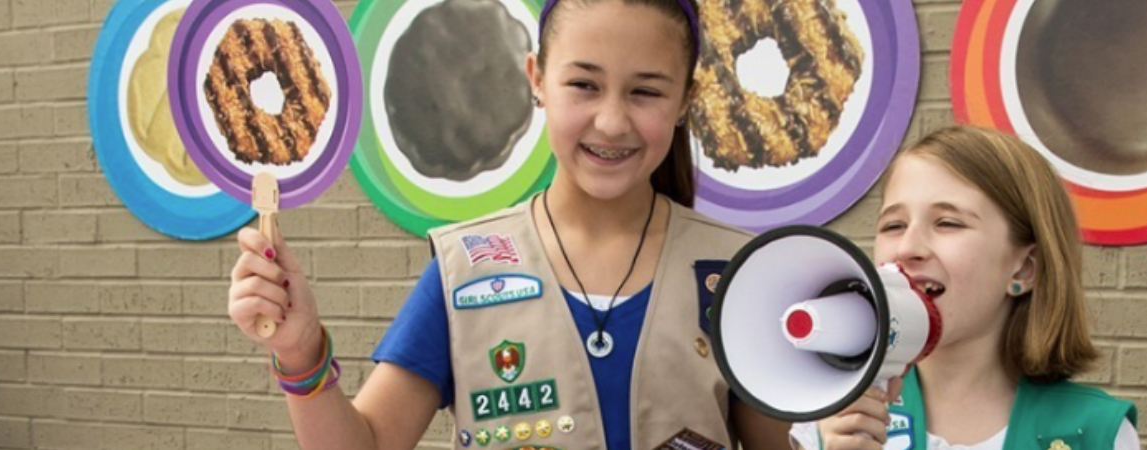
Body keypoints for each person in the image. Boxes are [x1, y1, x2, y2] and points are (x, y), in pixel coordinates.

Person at [224, 1, 788, 448]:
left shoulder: (735, 273)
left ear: (686, 99)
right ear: (537, 78)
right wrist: (300, 354)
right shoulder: (462, 268)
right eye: (584, 85)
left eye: (645, 91)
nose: (612, 121)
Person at [794, 126, 1140, 450]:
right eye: (894, 225)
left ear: (1024, 267)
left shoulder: (1095, 431)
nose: (907, 248)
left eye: (947, 223)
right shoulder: (833, 416)